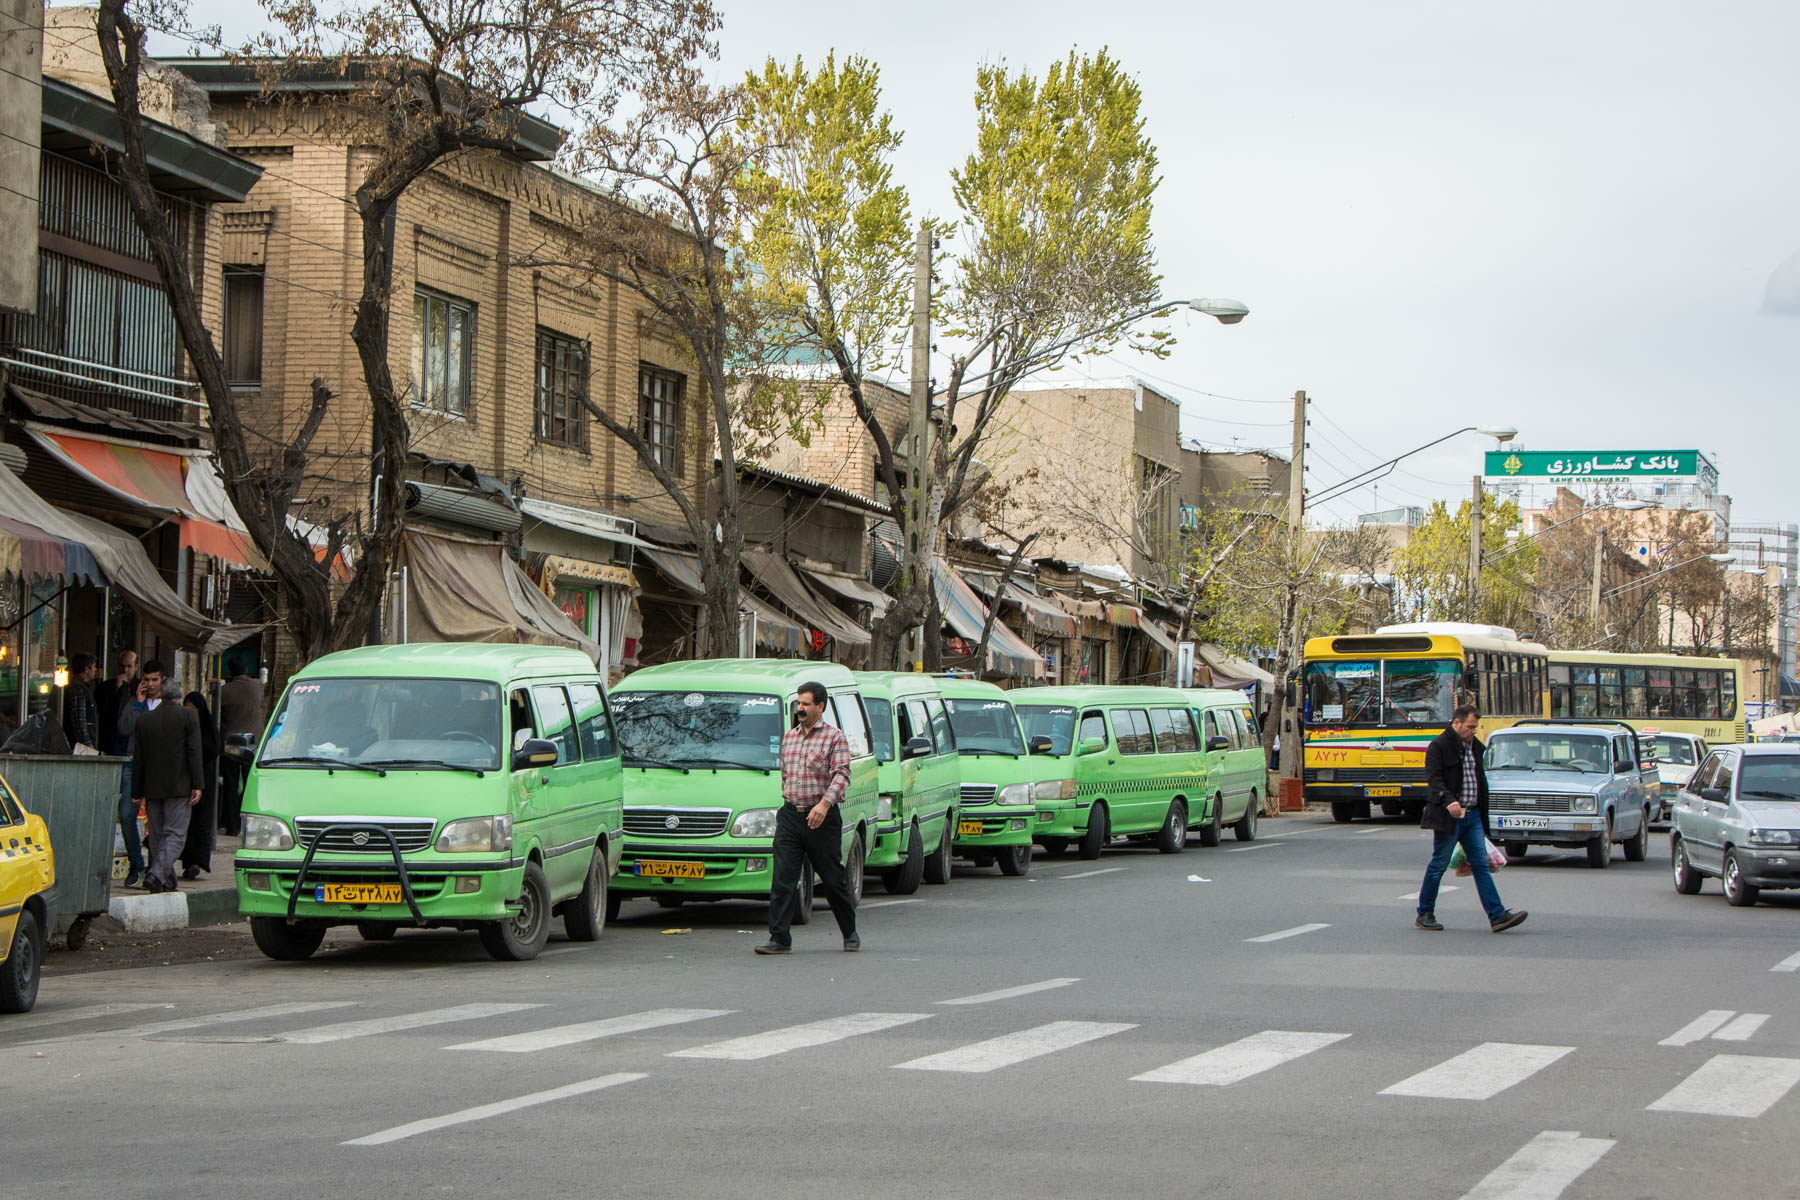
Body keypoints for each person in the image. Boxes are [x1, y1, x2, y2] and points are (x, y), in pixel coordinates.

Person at [756, 680, 860, 955]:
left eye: (806, 704)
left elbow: (842, 775)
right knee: (782, 878)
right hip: (791, 816)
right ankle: (779, 938)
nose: (800, 709)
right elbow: (786, 774)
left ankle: (849, 933)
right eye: (798, 704)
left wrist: (823, 805)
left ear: (820, 707)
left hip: (822, 818)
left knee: (832, 879)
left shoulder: (834, 737)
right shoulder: (789, 737)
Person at [1416, 705, 1526, 933]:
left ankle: (1497, 916)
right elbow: (1434, 779)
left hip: (1473, 815)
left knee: (1481, 865)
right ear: (1456, 723)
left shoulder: (1475, 747)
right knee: (1439, 864)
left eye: (1476, 727)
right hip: (1450, 817)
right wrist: (1448, 801)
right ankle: (1425, 913)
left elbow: (1480, 780)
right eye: (1470, 726)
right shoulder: (1439, 746)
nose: (1473, 731)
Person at [130, 676, 202, 894]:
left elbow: (139, 758)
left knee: (158, 835)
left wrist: (136, 790)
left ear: (161, 695)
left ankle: (167, 881)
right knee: (175, 835)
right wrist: (198, 783)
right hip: (179, 787)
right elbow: (194, 751)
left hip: (153, 787)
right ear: (179, 696)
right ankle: (156, 874)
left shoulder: (145, 720)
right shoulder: (188, 716)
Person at [113, 656, 161, 889]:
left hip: (157, 768)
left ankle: (155, 869)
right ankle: (136, 863)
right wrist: (138, 703)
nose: (150, 684)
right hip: (132, 765)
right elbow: (123, 728)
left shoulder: (169, 705)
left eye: (155, 680)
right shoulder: (135, 701)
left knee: (156, 819)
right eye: (147, 679)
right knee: (126, 814)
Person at [216, 658, 264, 837]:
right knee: (250, 784)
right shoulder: (257, 686)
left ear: (230, 674)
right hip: (252, 744)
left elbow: (217, 716)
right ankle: (248, 823)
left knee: (230, 784)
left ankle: (231, 826)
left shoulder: (223, 691)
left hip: (230, 745)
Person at [179, 689, 220, 880]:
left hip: (204, 783)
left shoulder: (207, 728)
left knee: (201, 823)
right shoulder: (182, 728)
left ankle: (197, 862)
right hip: (185, 781)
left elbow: (213, 749)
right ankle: (187, 861)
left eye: (192, 710)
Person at [94, 650, 138, 756]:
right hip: (111, 738)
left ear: (136, 667)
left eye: (129, 666)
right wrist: (115, 688)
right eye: (122, 666)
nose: (125, 670)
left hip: (131, 737)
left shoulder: (140, 688)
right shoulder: (105, 687)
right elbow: (100, 709)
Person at [62, 652, 99, 751]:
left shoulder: (82, 687)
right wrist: (87, 744)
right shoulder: (78, 688)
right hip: (80, 747)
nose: (95, 670)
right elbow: (79, 719)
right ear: (87, 669)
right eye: (94, 667)